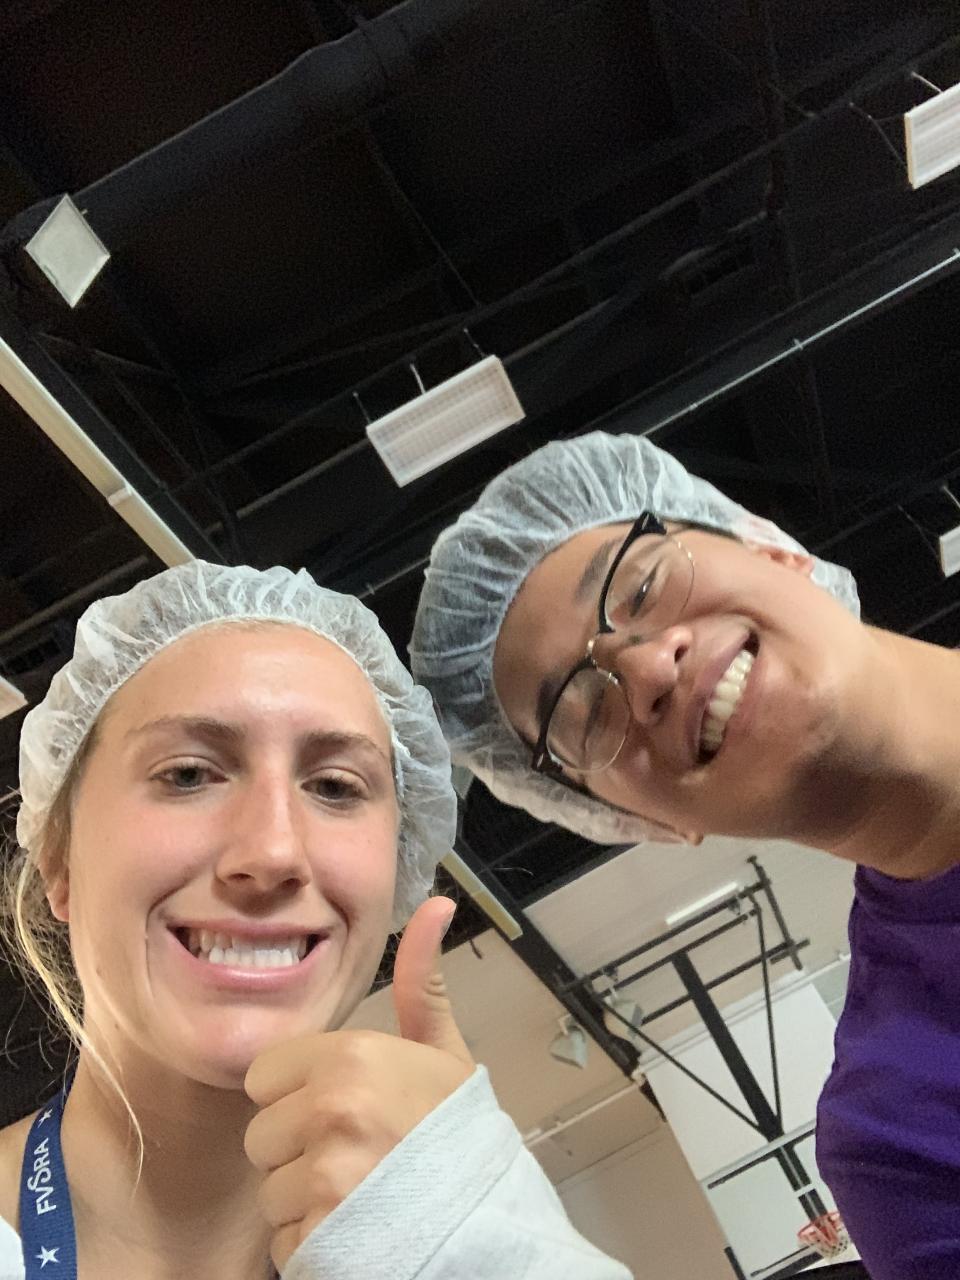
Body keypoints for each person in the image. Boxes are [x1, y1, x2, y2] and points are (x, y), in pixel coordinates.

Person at [410, 429, 960, 1280]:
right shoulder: (902, 1139)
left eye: (640, 585)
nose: (647, 668)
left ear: (772, 548)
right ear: (642, 821)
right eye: (581, 712)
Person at [0, 560, 630, 1280]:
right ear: (60, 859)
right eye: (188, 774)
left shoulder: (460, 1245)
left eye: (335, 786)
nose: (273, 851)